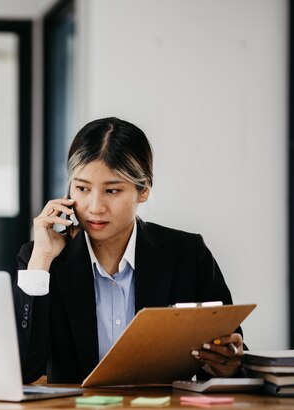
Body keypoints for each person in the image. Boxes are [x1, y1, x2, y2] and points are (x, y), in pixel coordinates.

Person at [13, 116, 244, 384]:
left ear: (143, 190)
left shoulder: (187, 255)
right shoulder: (42, 260)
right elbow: (25, 369)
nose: (95, 206)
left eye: (112, 191)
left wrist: (226, 365)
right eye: (82, 188)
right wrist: (41, 259)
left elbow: (231, 356)